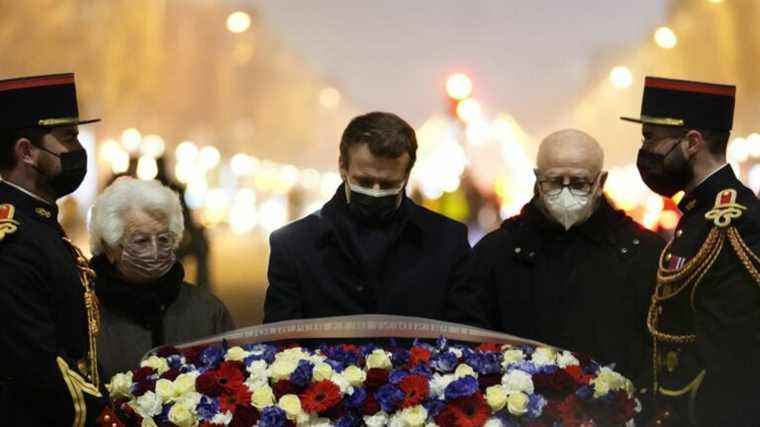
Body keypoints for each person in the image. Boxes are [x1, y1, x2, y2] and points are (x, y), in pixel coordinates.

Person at [471, 129, 663, 388]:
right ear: (538, 180)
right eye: (554, 181)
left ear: (600, 182)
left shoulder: (643, 253)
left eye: (579, 183)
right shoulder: (496, 253)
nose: (566, 192)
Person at [622, 76, 760, 426]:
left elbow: (736, 349)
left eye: (651, 138)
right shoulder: (699, 213)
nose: (646, 150)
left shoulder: (735, 220)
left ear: (692, 142)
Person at [264, 111, 485, 326]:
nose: (376, 192)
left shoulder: (447, 242)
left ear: (407, 175)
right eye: (365, 181)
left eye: (388, 184)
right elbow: (280, 348)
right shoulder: (293, 246)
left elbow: (466, 339)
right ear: (342, 166)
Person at [0, 73, 107, 425]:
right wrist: (102, 415)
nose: (78, 151)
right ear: (27, 152)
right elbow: (35, 368)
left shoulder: (39, 224)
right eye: (68, 138)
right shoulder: (13, 240)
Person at [89, 177, 234, 380]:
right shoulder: (84, 311)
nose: (155, 252)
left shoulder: (207, 310)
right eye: (141, 240)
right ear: (109, 248)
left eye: (164, 239)